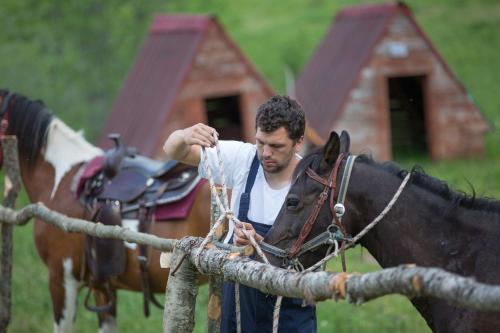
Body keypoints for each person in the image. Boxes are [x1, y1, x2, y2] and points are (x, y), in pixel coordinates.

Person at [163, 95, 316, 333]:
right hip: (239, 299)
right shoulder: (243, 158)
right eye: (260, 142)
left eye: (276, 146)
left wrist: (264, 245)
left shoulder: (313, 184)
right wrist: (183, 135)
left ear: (298, 142)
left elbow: (316, 261)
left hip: (289, 306)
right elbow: (174, 151)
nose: (265, 153)